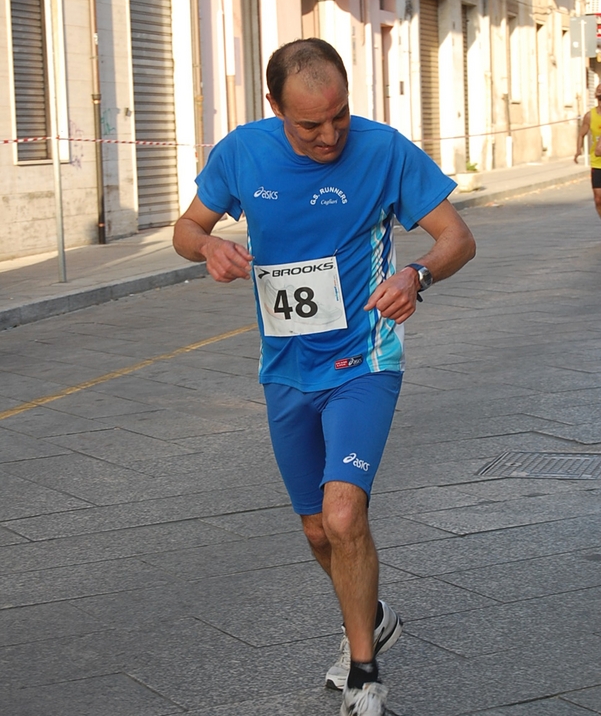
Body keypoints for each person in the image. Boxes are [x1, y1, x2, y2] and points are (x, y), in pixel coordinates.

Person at [173, 38, 476, 716]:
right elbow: (186, 226)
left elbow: (456, 236)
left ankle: (364, 670)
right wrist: (208, 243)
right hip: (284, 368)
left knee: (344, 511)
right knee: (316, 530)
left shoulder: (384, 149)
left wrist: (416, 272)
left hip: (364, 359)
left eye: (339, 115)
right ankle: (369, 611)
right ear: (275, 107)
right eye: (310, 123)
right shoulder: (241, 153)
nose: (330, 134)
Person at [574, 82, 601, 221]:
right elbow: (581, 134)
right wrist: (578, 149)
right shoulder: (590, 116)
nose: (599, 90)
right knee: (598, 199)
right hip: (597, 163)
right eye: (598, 89)